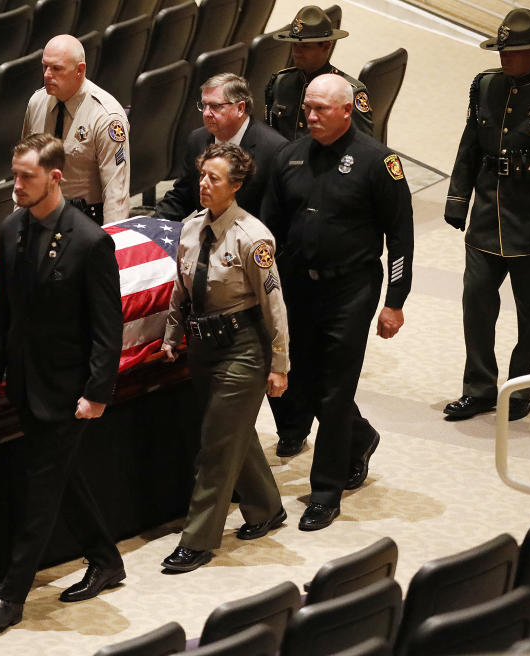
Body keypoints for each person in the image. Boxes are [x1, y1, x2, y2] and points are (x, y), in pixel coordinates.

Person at [0, 133, 125, 628]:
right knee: (61, 478)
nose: (15, 186)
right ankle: (105, 558)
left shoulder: (90, 241)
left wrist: (97, 393)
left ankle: (10, 598)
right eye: (14, 175)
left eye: (25, 177)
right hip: (25, 383)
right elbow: (2, 310)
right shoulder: (12, 228)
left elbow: (107, 328)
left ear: (55, 178)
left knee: (40, 490)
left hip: (67, 390)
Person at [261, 74, 413, 531]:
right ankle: (361, 435)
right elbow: (269, 231)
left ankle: (326, 492)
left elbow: (400, 237)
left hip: (352, 289)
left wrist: (395, 300)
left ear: (347, 110)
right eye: (307, 108)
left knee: (335, 386)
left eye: (320, 109)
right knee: (301, 382)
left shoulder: (378, 162)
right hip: (298, 287)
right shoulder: (288, 157)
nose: (309, 116)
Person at [159, 143, 289, 572]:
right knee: (232, 432)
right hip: (202, 345)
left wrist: (279, 364)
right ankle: (267, 507)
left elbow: (274, 307)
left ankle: (197, 541)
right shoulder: (192, 226)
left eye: (214, 178)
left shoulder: (253, 238)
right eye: (202, 176)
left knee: (215, 446)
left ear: (235, 186)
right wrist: (171, 335)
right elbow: (182, 288)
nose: (204, 184)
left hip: (242, 348)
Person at [442, 7, 530, 422]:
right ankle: (478, 387)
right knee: (476, 304)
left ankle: (523, 386)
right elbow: (470, 145)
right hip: (485, 219)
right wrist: (457, 199)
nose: (505, 59)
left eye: (514, 52)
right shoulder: (486, 86)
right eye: (501, 51)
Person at [22, 34, 130, 225]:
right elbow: (25, 168)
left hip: (84, 221)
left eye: (56, 69)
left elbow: (116, 195)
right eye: (45, 66)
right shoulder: (36, 103)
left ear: (79, 70)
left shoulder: (106, 117)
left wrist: (113, 246)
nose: (47, 74)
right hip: (40, 215)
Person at [156, 73, 287, 221]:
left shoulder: (274, 149)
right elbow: (182, 196)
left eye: (215, 106)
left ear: (240, 108)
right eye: (204, 105)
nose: (206, 113)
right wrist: (150, 227)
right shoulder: (197, 139)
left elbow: (276, 214)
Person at [265, 5, 373, 141]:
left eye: (305, 46)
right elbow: (269, 135)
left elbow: (363, 149)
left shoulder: (350, 93)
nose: (297, 53)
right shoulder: (280, 82)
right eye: (294, 45)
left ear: (326, 46)